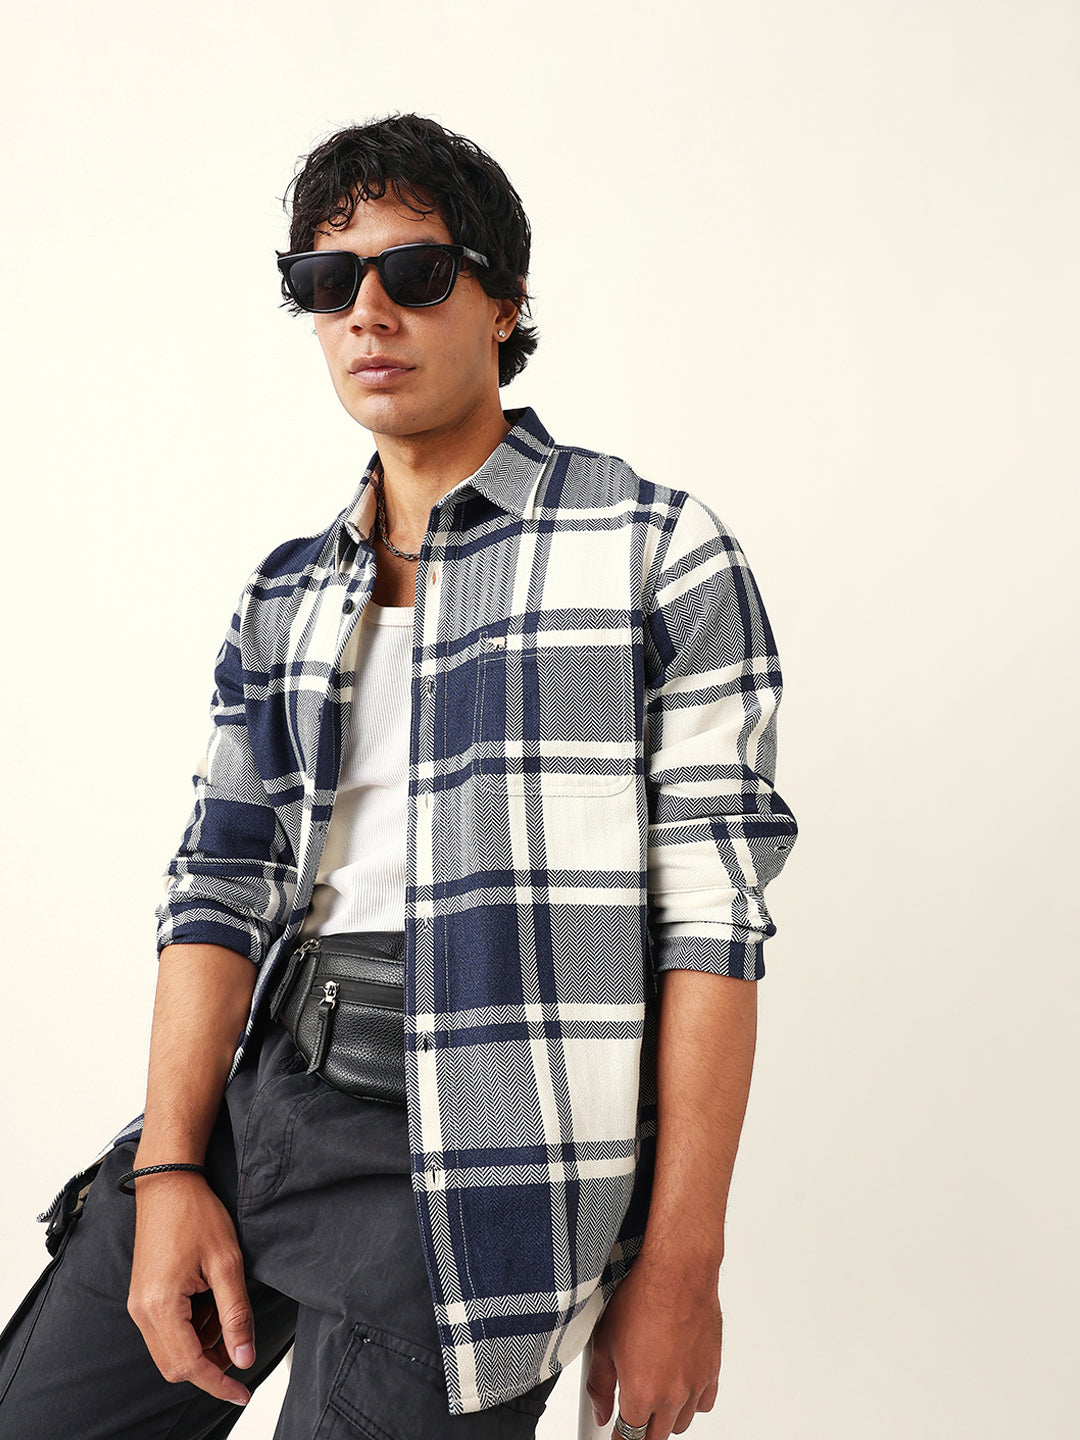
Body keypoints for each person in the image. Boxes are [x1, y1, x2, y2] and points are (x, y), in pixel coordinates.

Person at [0, 113, 797, 1440]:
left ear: (504, 301)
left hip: (484, 1173)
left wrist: (680, 1265)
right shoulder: (287, 593)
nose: (366, 311)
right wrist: (172, 1165)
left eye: (415, 272)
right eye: (328, 281)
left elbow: (713, 927)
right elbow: (218, 889)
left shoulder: (653, 552)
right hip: (265, 1101)